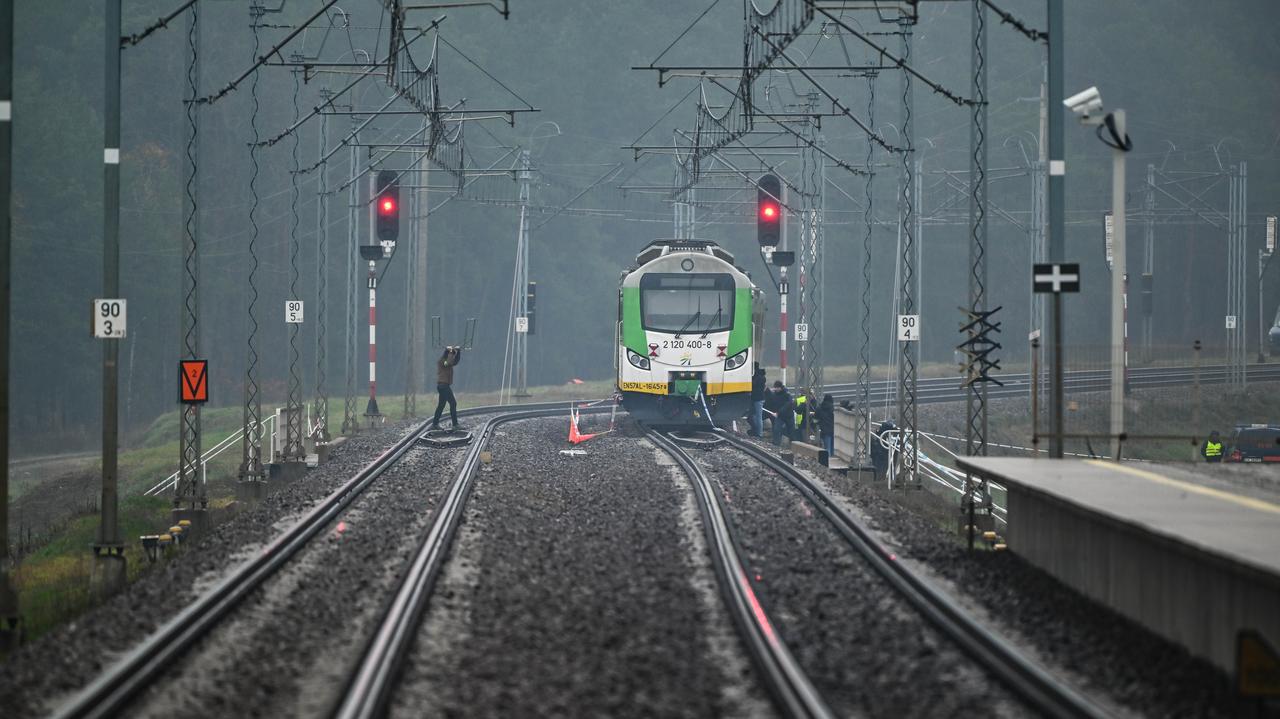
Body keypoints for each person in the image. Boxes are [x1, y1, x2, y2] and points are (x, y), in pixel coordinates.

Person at [431, 346, 463, 430]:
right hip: (443, 386)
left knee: (441, 405)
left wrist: (458, 352)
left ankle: (435, 424)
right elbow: (448, 362)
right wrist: (451, 352)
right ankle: (455, 424)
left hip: (443, 386)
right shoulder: (442, 362)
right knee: (453, 403)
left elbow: (454, 362)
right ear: (447, 354)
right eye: (449, 354)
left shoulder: (447, 361)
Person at [764, 381, 794, 446]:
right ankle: (776, 443)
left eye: (777, 388)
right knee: (776, 429)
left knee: (791, 431)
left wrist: (778, 412)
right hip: (780, 416)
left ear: (780, 387)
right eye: (775, 388)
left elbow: (787, 405)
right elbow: (771, 404)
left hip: (788, 415)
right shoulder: (774, 395)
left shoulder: (787, 394)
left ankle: (792, 444)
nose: (775, 389)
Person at [748, 364, 766, 437]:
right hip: (756, 398)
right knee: (752, 416)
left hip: (758, 399)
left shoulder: (759, 377)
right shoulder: (760, 376)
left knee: (758, 417)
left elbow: (753, 384)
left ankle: (759, 433)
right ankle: (756, 430)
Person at [816, 394, 836, 458]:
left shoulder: (820, 407)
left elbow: (816, 417)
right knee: (833, 447)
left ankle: (828, 462)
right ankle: (832, 459)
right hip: (833, 430)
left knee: (827, 448)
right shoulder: (832, 408)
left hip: (824, 430)